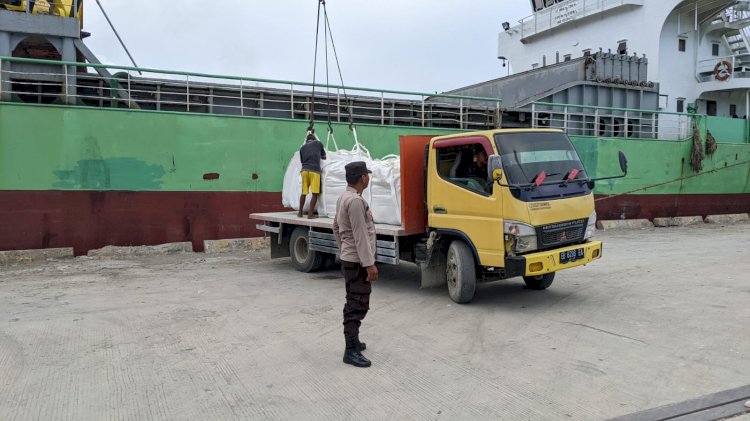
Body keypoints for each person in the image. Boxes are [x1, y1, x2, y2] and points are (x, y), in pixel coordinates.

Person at [332, 161, 377, 368]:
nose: (368, 178)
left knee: (354, 299)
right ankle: (350, 350)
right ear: (363, 178)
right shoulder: (356, 202)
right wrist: (369, 265)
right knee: (357, 304)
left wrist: (344, 249)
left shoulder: (344, 197)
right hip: (358, 261)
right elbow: (360, 235)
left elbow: (335, 227)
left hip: (350, 258)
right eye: (367, 175)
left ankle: (354, 341)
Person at [298, 131, 327, 219]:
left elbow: (302, 161)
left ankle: (300, 212)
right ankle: (310, 214)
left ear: (307, 141)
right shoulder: (318, 143)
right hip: (314, 171)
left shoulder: (302, 148)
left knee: (304, 192)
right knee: (315, 194)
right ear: (314, 139)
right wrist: (318, 156)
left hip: (304, 171)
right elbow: (324, 156)